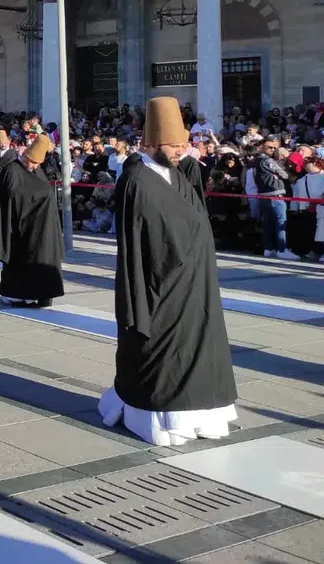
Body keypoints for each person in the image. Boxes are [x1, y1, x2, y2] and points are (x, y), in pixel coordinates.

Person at [99, 96, 238, 447]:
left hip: (195, 288)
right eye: (173, 146)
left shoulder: (177, 175)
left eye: (183, 145)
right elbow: (141, 242)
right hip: (162, 290)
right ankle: (163, 418)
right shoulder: (137, 180)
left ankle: (201, 416)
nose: (180, 151)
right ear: (150, 144)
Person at [0, 134, 64, 308]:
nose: (33, 166)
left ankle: (38, 294)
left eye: (37, 164)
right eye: (32, 162)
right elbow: (11, 196)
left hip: (39, 228)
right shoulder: (12, 170)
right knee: (19, 261)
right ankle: (15, 295)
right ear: (25, 156)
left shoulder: (38, 172)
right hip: (18, 226)